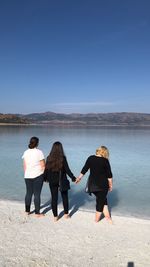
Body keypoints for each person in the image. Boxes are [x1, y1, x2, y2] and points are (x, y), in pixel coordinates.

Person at [76, 146, 113, 223]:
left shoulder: (90, 158)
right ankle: (96, 220)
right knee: (100, 201)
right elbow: (109, 175)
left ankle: (107, 216)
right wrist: (110, 185)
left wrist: (79, 178)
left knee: (103, 200)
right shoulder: (105, 161)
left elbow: (84, 169)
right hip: (103, 185)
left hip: (92, 185)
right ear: (105, 152)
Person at [44, 141, 76, 222]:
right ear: (61, 149)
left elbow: (46, 170)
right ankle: (66, 214)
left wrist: (44, 178)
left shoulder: (49, 157)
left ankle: (55, 216)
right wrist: (73, 178)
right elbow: (67, 170)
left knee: (54, 198)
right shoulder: (63, 158)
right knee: (65, 197)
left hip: (52, 180)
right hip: (62, 180)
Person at [22, 136, 45, 217]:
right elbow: (43, 166)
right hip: (38, 175)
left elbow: (24, 166)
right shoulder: (39, 152)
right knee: (37, 194)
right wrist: (44, 176)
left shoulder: (26, 152)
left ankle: (27, 211)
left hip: (27, 175)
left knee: (28, 193)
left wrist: (27, 173)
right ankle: (37, 213)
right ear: (37, 143)